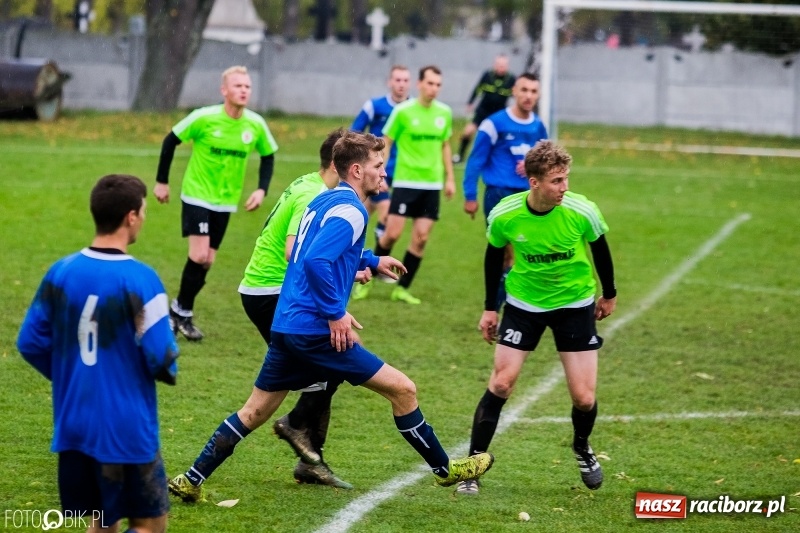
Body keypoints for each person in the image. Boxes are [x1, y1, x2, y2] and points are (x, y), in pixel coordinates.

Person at [168, 132, 493, 503]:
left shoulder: (324, 201)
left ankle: (190, 478)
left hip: (287, 325)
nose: (384, 174)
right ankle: (444, 470)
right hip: (314, 330)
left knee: (255, 410)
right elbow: (315, 259)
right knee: (403, 389)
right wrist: (335, 314)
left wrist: (371, 259)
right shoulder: (353, 210)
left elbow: (316, 248)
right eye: (378, 166)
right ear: (357, 170)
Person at [17, 174, 179, 532]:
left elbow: (29, 342)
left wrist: (71, 373)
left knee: (103, 521)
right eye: (144, 211)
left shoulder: (60, 272)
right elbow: (162, 358)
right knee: (151, 525)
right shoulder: (141, 279)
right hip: (124, 427)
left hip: (74, 423)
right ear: (131, 217)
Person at [456, 141, 617, 496]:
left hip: (574, 305)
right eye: (557, 181)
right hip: (524, 306)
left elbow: (600, 250)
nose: (565, 187)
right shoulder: (505, 214)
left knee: (584, 398)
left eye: (566, 179)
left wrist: (609, 294)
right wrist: (488, 307)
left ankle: (581, 447)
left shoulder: (581, 210)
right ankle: (472, 468)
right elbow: (492, 256)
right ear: (534, 182)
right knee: (501, 384)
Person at [238, 128, 352, 489]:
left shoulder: (313, 183)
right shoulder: (313, 193)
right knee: (325, 366)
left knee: (326, 366)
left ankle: (311, 457)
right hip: (271, 291)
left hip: (270, 289)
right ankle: (297, 431)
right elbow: (294, 252)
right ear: (339, 164)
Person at [154, 65, 279, 341]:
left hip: (226, 201)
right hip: (197, 194)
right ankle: (180, 313)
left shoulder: (255, 124)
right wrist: (162, 181)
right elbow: (170, 140)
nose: (244, 90)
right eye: (238, 86)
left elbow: (268, 155)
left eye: (247, 86)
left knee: (207, 261)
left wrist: (261, 189)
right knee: (199, 255)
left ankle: (180, 312)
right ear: (224, 90)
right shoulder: (204, 118)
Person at [353, 65, 455, 305]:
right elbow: (386, 142)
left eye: (438, 84)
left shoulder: (445, 113)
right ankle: (370, 274)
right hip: (406, 182)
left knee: (420, 238)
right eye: (430, 83)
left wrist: (449, 178)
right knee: (392, 234)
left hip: (431, 185)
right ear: (419, 84)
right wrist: (382, 174)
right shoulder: (403, 111)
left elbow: (445, 145)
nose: (434, 89)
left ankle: (402, 288)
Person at [463, 73, 548, 308]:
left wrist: (533, 164)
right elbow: (475, 160)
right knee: (509, 253)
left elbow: (547, 161)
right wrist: (470, 195)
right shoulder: (494, 123)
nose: (529, 95)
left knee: (523, 253)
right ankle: (500, 307)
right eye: (524, 90)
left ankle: (503, 304)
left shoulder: (538, 126)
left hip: (529, 198)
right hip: (498, 195)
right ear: (514, 92)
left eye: (533, 91)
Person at [351, 65, 411, 241]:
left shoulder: (413, 109)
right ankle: (380, 255)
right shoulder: (375, 106)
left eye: (405, 80)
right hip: (378, 169)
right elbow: (354, 134)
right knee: (386, 211)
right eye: (397, 80)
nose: (401, 84)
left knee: (362, 213)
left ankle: (345, 244)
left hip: (403, 171)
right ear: (389, 82)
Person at [453, 54, 516, 164]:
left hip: (499, 112)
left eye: (503, 65)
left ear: (507, 66)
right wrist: (470, 102)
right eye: (499, 65)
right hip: (483, 110)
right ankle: (460, 156)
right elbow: (477, 88)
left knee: (504, 137)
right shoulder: (487, 75)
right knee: (468, 131)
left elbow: (516, 95)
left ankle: (502, 160)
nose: (501, 68)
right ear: (495, 65)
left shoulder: (511, 79)